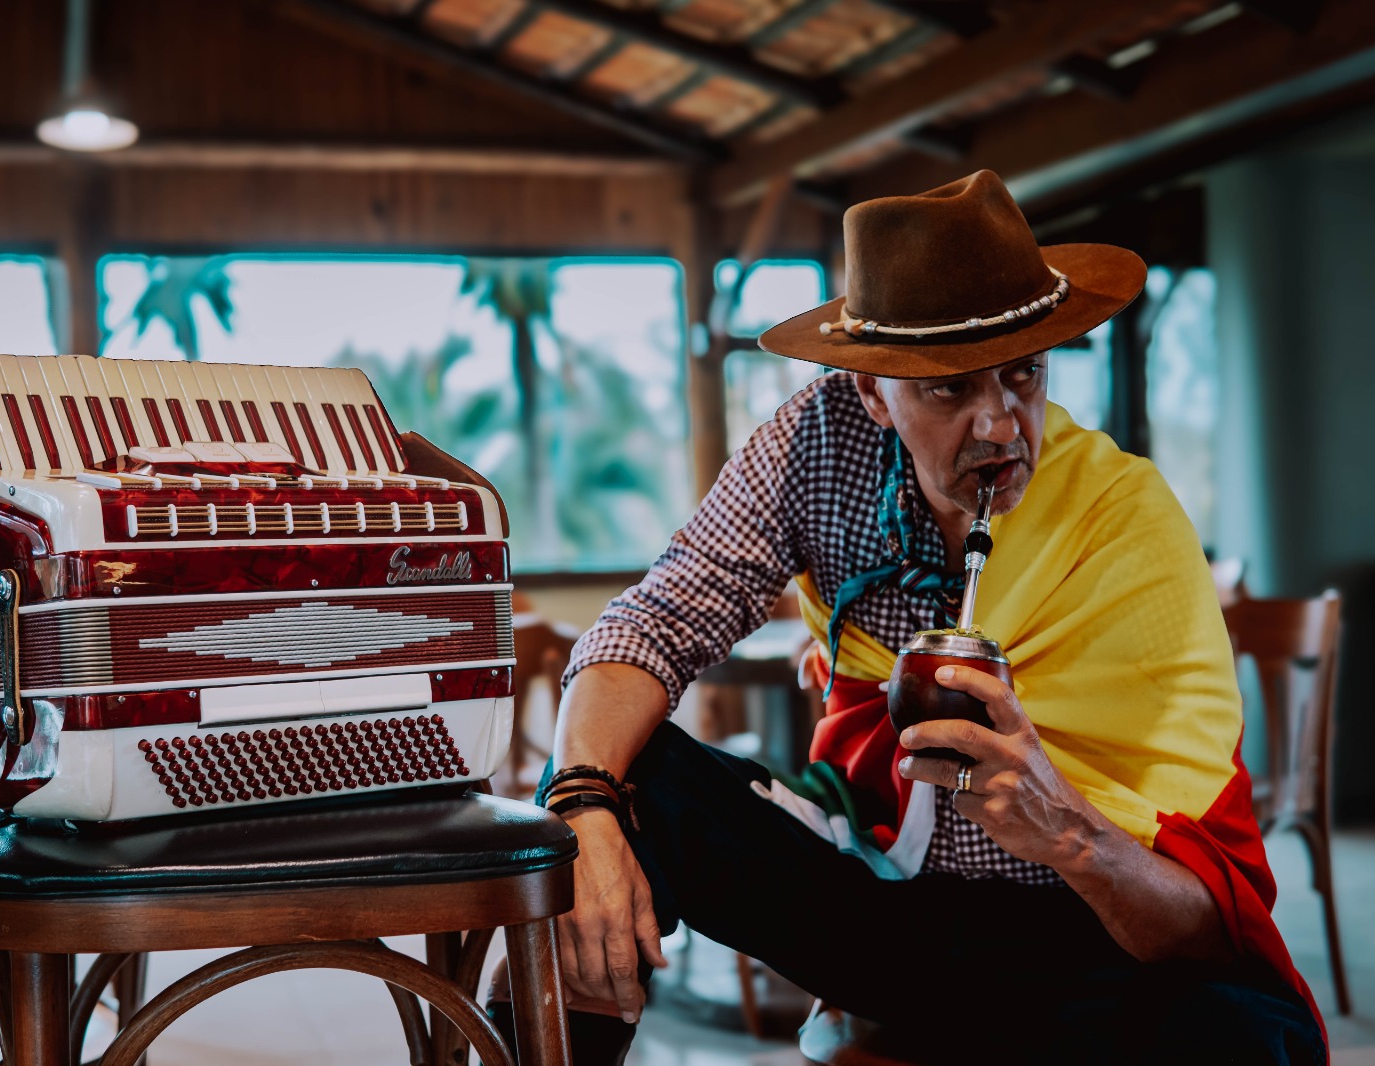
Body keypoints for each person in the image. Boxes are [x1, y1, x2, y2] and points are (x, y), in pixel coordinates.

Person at [507, 171, 1327, 1064]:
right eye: (947, 390)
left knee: (1252, 1038)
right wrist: (582, 806)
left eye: (1023, 377)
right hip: (889, 903)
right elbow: (651, 623)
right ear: (873, 392)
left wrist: (1069, 831)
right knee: (621, 783)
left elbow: (1208, 929)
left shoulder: (1123, 515)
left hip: (1088, 940)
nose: (1002, 429)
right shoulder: (816, 445)